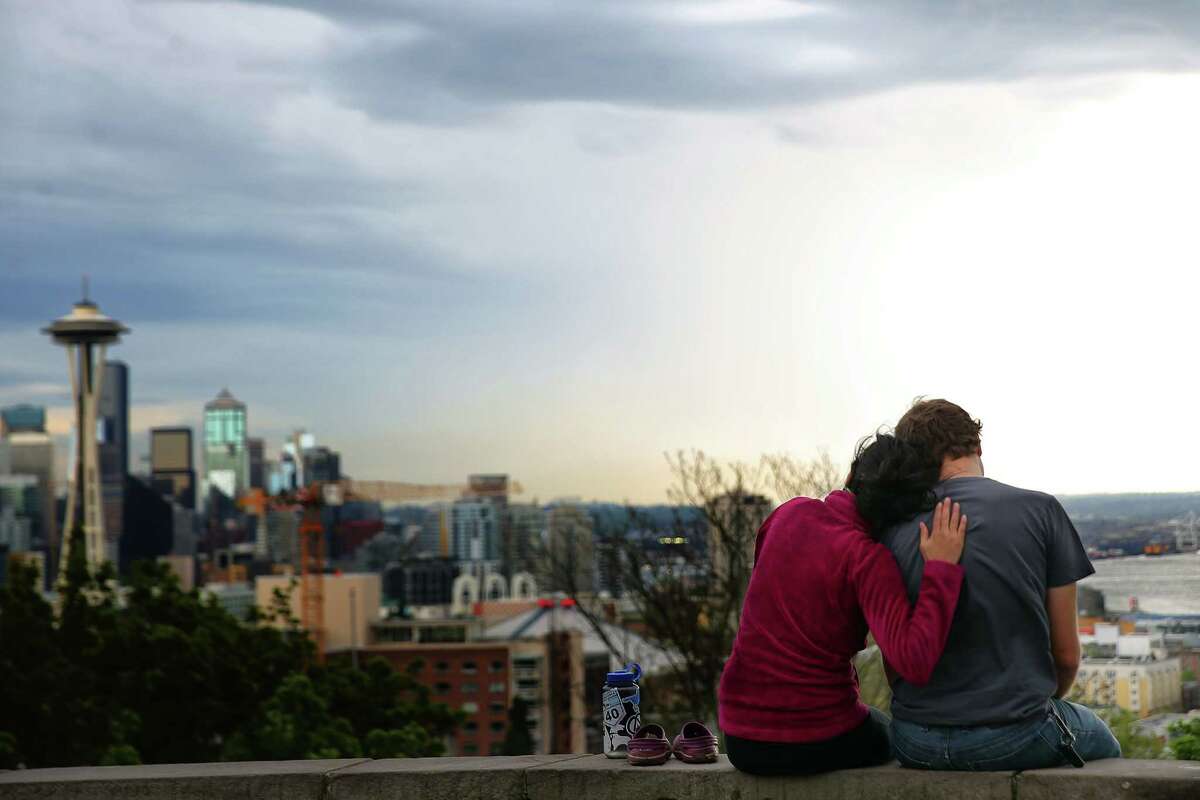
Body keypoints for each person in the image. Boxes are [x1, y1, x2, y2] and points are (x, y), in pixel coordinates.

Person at [881, 399, 1121, 771]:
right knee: (1103, 741)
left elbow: (894, 665)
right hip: (1014, 735)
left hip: (914, 740)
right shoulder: (1041, 511)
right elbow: (1067, 657)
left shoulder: (891, 528)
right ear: (977, 447)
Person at [718, 433, 968, 776]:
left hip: (739, 737)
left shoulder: (787, 514)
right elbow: (914, 661)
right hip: (815, 736)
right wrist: (940, 569)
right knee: (898, 735)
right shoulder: (867, 560)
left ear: (851, 476)